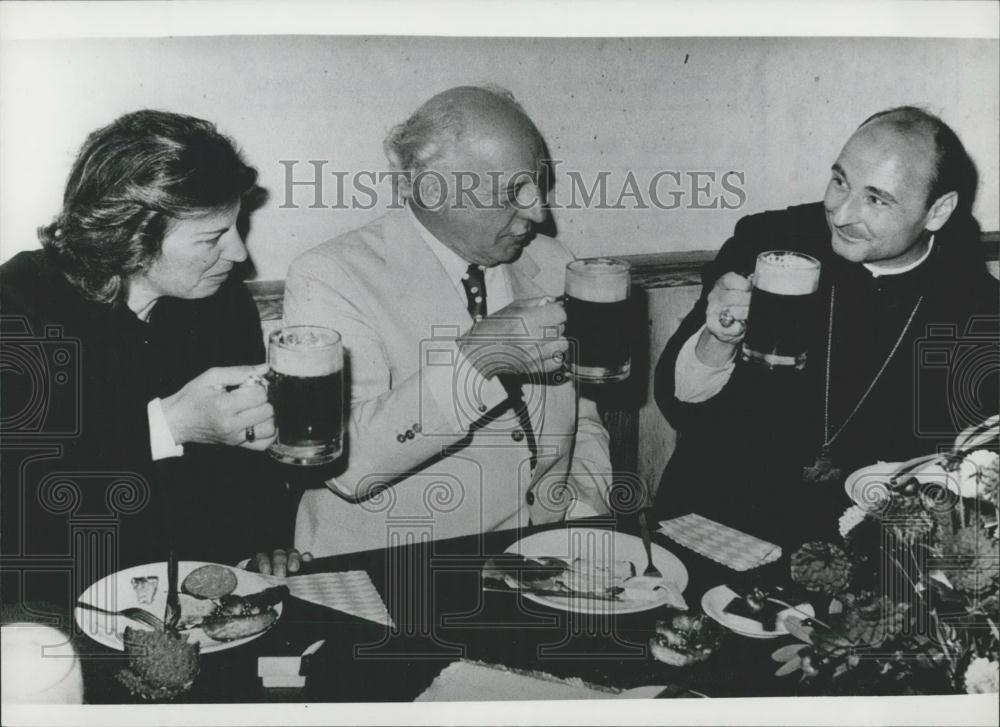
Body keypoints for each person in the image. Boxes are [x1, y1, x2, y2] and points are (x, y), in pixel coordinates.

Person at [285, 86, 613, 556]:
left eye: (538, 184)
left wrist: (579, 508)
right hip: (392, 572)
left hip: (538, 562)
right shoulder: (331, 275)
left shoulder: (554, 262)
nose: (539, 211)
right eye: (513, 190)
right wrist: (473, 365)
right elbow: (343, 466)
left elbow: (582, 417)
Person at [653, 106, 999, 547]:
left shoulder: (978, 309)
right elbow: (676, 401)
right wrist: (717, 341)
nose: (840, 213)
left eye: (876, 199)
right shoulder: (771, 241)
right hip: (714, 520)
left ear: (938, 211)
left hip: (860, 556)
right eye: (840, 181)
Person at [1, 110, 305, 582]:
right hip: (64, 595)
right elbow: (22, 498)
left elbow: (248, 471)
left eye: (238, 226)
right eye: (213, 237)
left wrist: (266, 541)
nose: (240, 254)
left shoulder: (220, 299)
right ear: (133, 236)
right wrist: (169, 425)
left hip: (199, 588)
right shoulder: (20, 302)